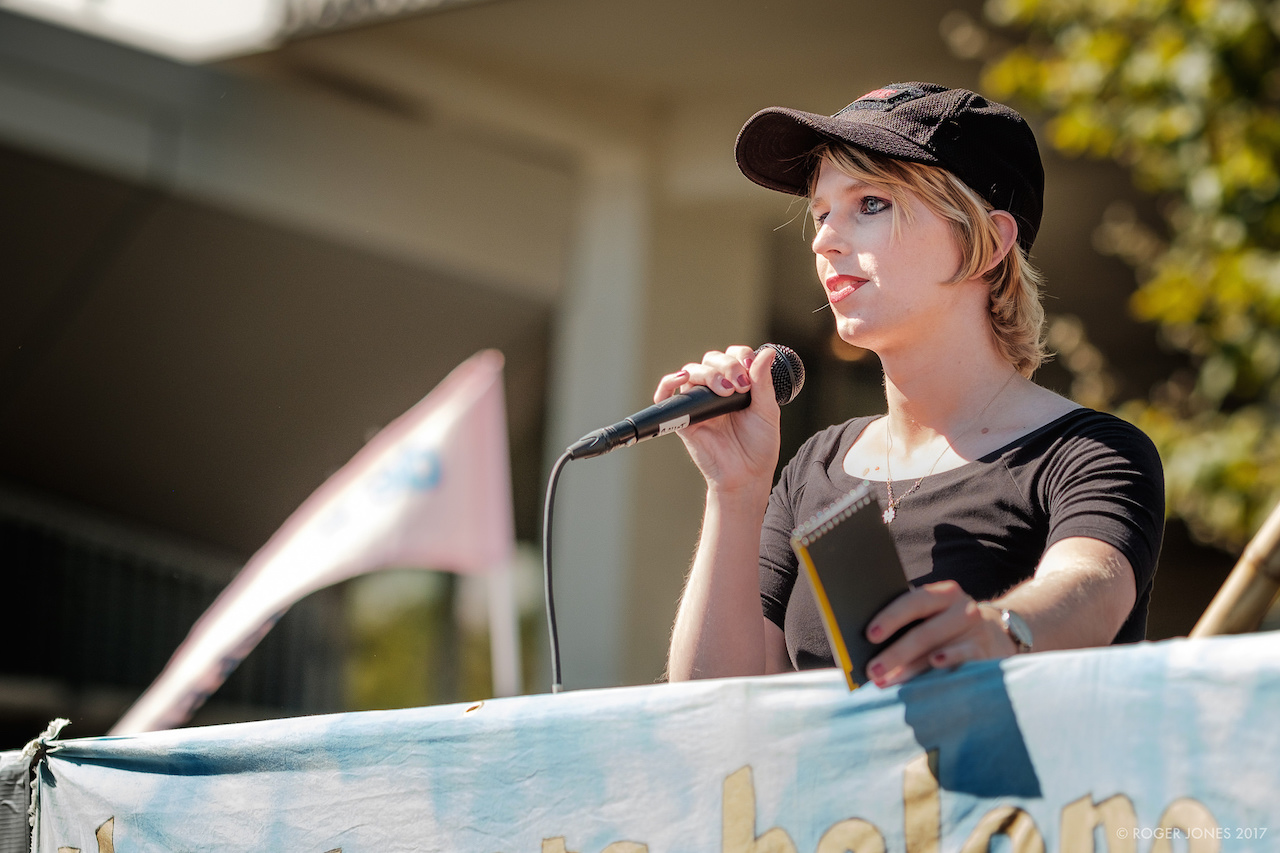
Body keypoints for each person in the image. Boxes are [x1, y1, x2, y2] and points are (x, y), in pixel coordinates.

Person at [661, 82, 1164, 689]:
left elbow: (1089, 585)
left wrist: (997, 630)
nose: (824, 239)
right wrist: (734, 491)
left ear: (988, 243)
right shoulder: (815, 466)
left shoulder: (1087, 454)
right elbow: (708, 709)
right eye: (821, 213)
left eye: (871, 203)